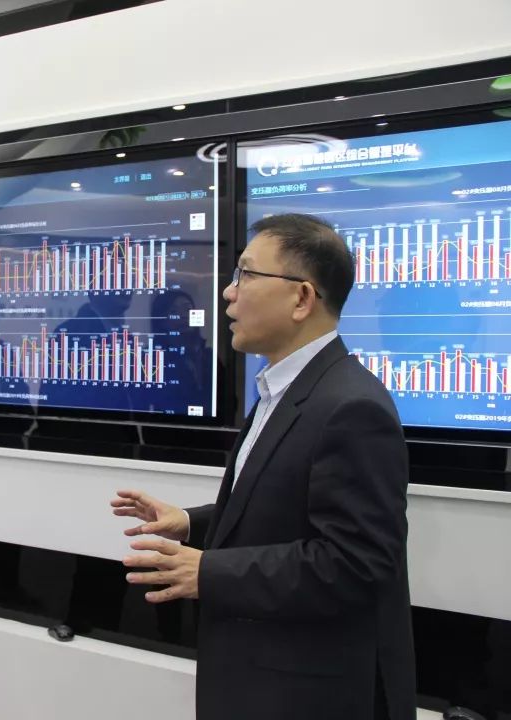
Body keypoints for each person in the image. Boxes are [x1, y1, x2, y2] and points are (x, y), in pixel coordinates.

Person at [111, 213, 415, 720]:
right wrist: (191, 523)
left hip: (307, 696)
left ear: (302, 298)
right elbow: (283, 507)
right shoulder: (286, 390)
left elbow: (354, 563)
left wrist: (209, 571)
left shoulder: (351, 406)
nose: (228, 293)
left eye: (247, 275)